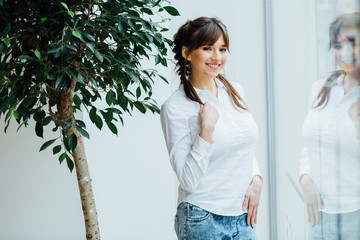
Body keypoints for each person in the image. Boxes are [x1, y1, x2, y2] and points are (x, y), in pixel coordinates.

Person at [160, 17, 263, 240]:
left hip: (243, 215)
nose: (217, 57)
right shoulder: (175, 108)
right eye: (207, 48)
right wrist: (205, 131)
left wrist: (256, 178)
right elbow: (188, 181)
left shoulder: (235, 91)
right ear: (186, 53)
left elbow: (244, 143)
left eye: (222, 49)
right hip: (202, 218)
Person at [299, 12, 360, 239]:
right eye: (337, 45)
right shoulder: (321, 88)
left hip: (355, 215)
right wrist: (305, 179)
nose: (344, 53)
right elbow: (310, 144)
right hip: (320, 216)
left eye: (352, 44)